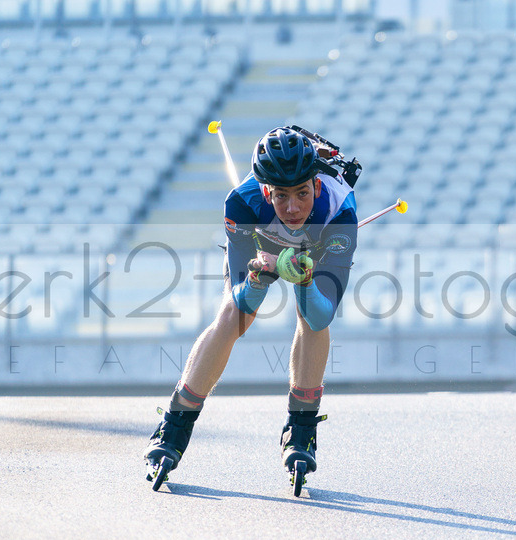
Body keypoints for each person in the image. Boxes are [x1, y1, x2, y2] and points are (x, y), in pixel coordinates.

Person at [143, 126, 359, 484]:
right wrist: (257, 278)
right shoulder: (241, 203)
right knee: (232, 316)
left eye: (302, 193)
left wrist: (304, 282)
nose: (293, 208)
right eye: (281, 196)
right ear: (265, 191)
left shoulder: (341, 210)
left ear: (317, 187)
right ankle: (174, 426)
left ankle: (301, 430)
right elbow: (241, 300)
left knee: (310, 319)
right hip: (261, 240)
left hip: (318, 242)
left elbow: (322, 315)